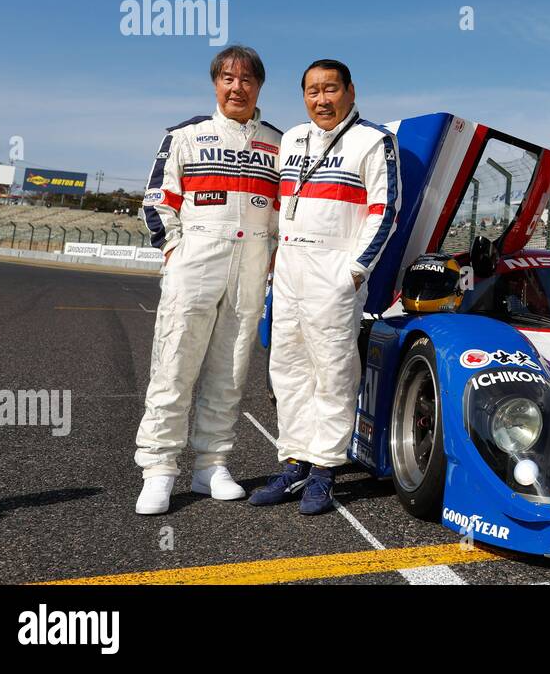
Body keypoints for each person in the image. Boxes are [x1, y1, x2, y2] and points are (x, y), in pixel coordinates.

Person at [133, 46, 283, 515]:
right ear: (215, 83)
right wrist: (175, 250)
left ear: (259, 86)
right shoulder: (186, 135)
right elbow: (157, 198)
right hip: (197, 258)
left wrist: (274, 256)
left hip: (252, 262)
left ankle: (210, 466)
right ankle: (158, 469)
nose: (237, 87)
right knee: (174, 364)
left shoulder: (281, 142)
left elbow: (289, 208)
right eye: (227, 79)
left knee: (231, 370)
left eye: (246, 80)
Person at [250, 59, 401, 515]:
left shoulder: (374, 140)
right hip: (292, 267)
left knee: (333, 373)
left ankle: (325, 471)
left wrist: (354, 272)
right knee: (288, 368)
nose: (322, 99)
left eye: (331, 89)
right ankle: (295, 461)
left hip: (335, 269)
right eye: (312, 91)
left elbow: (386, 209)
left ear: (351, 92)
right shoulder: (293, 138)